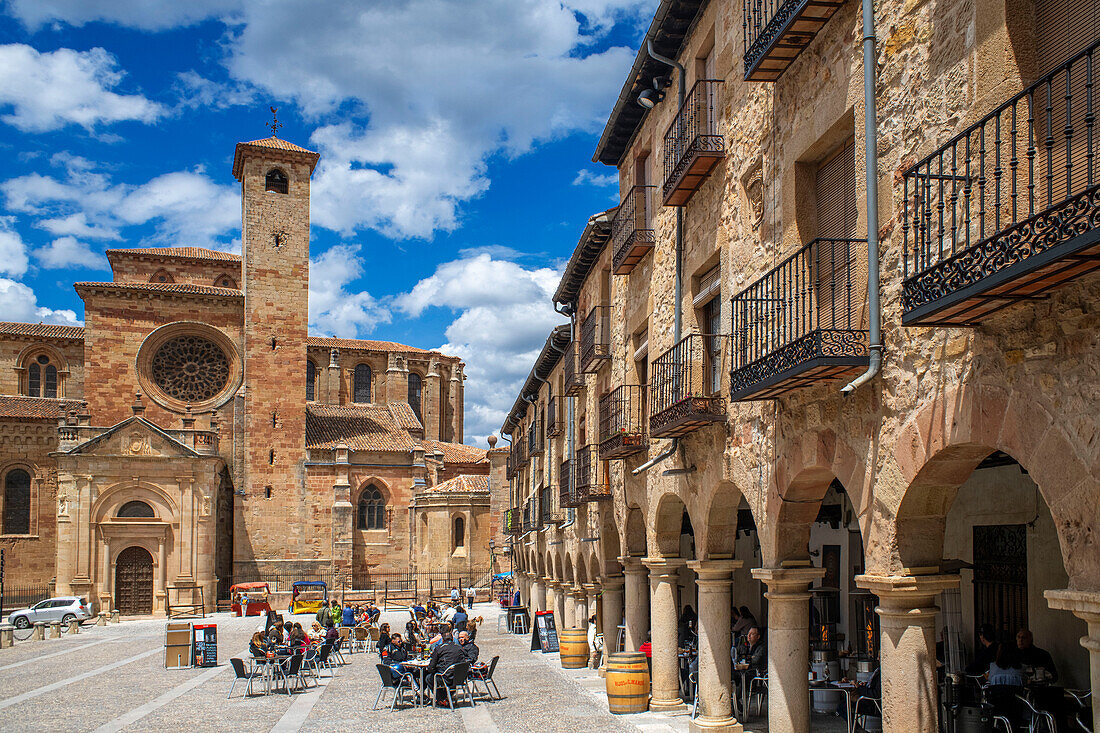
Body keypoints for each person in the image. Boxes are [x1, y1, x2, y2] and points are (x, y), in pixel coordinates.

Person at [425, 633, 468, 706]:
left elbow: (431, 666)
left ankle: (441, 699)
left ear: (442, 640)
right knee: (439, 678)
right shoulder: (459, 648)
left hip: (446, 678)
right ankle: (446, 697)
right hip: (460, 677)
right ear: (452, 639)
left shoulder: (439, 648)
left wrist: (432, 670)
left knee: (429, 678)